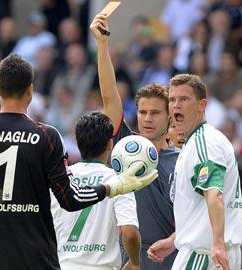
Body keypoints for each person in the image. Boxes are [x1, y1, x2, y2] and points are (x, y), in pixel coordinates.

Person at [0, 54, 158, 270]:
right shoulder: (47, 137)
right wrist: (112, 187)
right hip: (36, 260)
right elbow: (70, 199)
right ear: (30, 90)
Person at [90, 14, 178, 270]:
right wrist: (103, 45)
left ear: (170, 116)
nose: (147, 119)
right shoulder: (127, 147)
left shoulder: (183, 160)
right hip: (130, 260)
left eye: (155, 113)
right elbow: (109, 97)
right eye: (142, 112)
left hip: (171, 259)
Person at [149, 74, 242, 270]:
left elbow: (214, 194)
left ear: (202, 105)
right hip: (211, 251)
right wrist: (175, 240)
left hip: (203, 255)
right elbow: (237, 210)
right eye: (172, 100)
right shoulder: (195, 143)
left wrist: (217, 243)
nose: (176, 105)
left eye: (184, 99)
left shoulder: (204, 143)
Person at [50, 111, 141, 270]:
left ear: (78, 143)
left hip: (61, 265)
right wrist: (134, 263)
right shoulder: (119, 181)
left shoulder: (60, 179)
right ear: (109, 145)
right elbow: (130, 233)